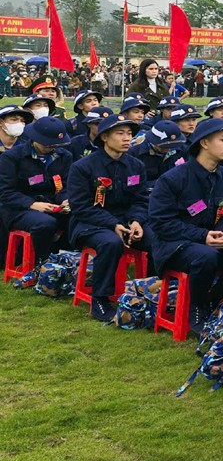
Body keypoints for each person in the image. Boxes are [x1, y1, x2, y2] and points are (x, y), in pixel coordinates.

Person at [148, 118, 223, 334]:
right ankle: (196, 308)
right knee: (205, 256)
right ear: (204, 143)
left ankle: (211, 298)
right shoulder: (173, 179)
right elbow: (161, 222)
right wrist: (203, 235)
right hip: (175, 244)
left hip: (212, 240)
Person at [65, 111, 154, 321]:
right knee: (111, 243)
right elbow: (80, 206)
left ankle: (149, 293)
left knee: (156, 239)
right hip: (90, 223)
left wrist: (136, 221)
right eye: (120, 133)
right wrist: (112, 223)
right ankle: (101, 298)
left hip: (126, 220)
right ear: (104, 137)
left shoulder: (136, 165)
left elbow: (141, 200)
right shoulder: (83, 167)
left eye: (129, 134)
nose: (126, 138)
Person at [0, 116, 74, 262]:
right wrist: (32, 204)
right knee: (45, 223)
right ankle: (39, 263)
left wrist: (65, 200)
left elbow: (66, 185)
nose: (52, 147)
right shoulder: (12, 157)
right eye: (48, 144)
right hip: (18, 209)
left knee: (78, 217)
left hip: (53, 204)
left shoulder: (65, 156)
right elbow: (5, 192)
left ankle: (69, 260)